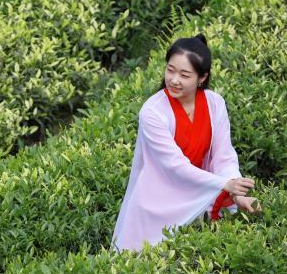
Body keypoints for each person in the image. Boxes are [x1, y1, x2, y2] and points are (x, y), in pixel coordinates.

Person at [111, 34, 261, 251]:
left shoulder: (215, 103)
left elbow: (223, 155)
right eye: (170, 70)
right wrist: (224, 184)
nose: (174, 80)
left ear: (202, 77)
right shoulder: (152, 112)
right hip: (157, 206)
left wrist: (237, 194)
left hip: (199, 196)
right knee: (142, 260)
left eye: (184, 75)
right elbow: (175, 165)